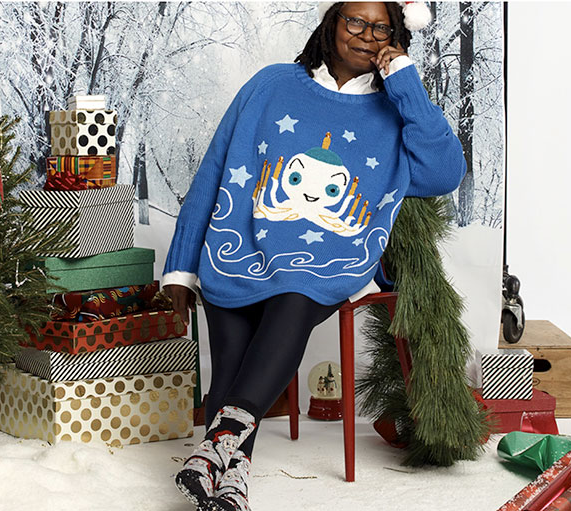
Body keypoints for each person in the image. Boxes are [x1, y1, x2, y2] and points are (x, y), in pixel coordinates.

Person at [162, 2, 465, 510]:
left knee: (295, 294)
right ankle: (230, 480)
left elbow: (444, 172)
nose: (366, 35)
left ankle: (215, 447)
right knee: (231, 361)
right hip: (239, 244)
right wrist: (180, 266)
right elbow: (213, 170)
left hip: (329, 260)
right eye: (355, 22)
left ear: (395, 36)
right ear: (331, 23)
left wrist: (405, 82)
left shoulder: (396, 107)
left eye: (381, 28)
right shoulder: (271, 85)